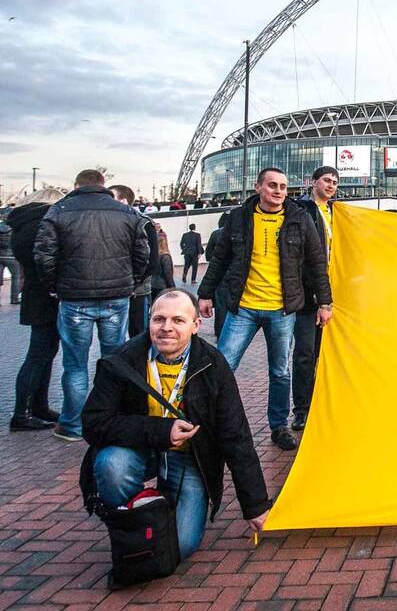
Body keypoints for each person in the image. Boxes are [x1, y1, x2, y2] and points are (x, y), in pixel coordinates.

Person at [80, 290, 271, 561]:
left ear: (196, 326)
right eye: (159, 319)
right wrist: (162, 432)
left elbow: (235, 436)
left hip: (189, 459)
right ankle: (134, 521)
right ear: (149, 321)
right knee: (112, 465)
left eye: (178, 320)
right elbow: (94, 423)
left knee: (179, 547)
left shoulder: (213, 365)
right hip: (139, 450)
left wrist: (255, 505)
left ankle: (163, 506)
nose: (166, 328)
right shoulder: (123, 360)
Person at [196, 167, 332, 451]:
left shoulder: (299, 219)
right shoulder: (239, 218)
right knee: (223, 364)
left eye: (283, 186)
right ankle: (210, 421)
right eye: (272, 185)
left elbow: (317, 263)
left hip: (283, 310)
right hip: (243, 307)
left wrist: (324, 302)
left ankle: (279, 426)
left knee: (280, 371)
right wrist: (205, 294)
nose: (279, 191)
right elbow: (220, 258)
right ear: (258, 187)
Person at [34, 169, 150, 442]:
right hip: (116, 297)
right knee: (114, 361)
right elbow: (142, 254)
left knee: (75, 365)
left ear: (76, 185)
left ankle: (73, 426)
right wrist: (130, 283)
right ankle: (112, 418)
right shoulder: (127, 213)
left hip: (74, 298)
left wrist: (54, 286)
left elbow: (44, 255)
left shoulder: (59, 211)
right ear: (103, 186)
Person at [7, 189, 66, 431]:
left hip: (35, 293)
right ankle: (22, 413)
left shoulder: (22, 225)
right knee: (38, 355)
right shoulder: (41, 225)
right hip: (46, 295)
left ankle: (38, 406)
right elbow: (47, 260)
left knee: (44, 353)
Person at [291, 166, 337, 431]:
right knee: (305, 353)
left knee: (328, 353)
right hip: (308, 295)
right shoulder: (302, 210)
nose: (331, 186)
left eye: (334, 182)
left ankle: (325, 404)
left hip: (334, 293)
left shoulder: (338, 213)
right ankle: (302, 409)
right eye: (326, 181)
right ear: (313, 182)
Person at [109, 184, 159, 340]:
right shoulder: (108, 223)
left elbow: (152, 260)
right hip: (115, 290)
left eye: (111, 198)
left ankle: (139, 363)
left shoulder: (143, 222)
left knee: (138, 333)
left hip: (137, 291)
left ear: (123, 201)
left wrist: (135, 282)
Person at [204, 211, 231, 338]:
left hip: (220, 275)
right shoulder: (239, 232)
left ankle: (219, 331)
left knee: (221, 305)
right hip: (235, 274)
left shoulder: (216, 234)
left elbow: (208, 254)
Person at [0, 213, 21, 305]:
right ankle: (14, 299)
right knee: (16, 277)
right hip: (12, 257)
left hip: (0, 256)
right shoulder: (15, 229)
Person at [151, 233, 176, 301]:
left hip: (151, 284)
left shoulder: (152, 255)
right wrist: (173, 289)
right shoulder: (165, 256)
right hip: (162, 286)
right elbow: (168, 274)